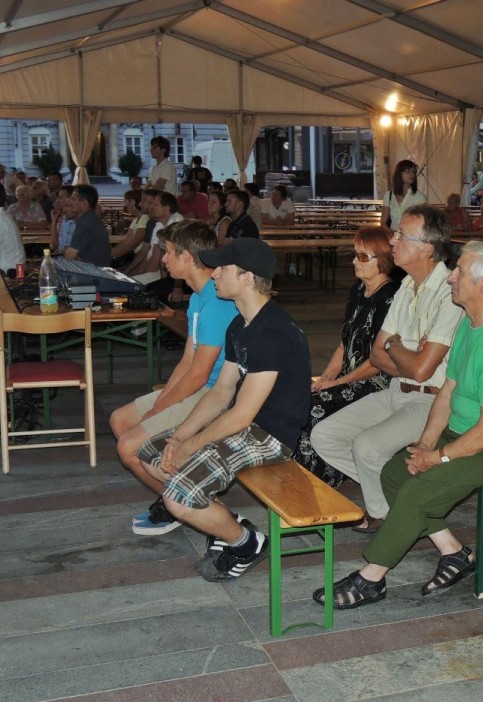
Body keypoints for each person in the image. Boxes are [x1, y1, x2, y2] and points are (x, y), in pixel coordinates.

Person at [312, 242, 483, 609]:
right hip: (464, 432)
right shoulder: (471, 322)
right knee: (395, 473)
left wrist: (437, 458)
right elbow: (448, 390)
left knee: (419, 490)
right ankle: (453, 553)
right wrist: (425, 444)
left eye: (460, 271)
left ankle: (372, 577)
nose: (451, 276)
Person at [136, 237, 310, 582]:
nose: (213, 274)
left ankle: (246, 543)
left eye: (222, 268)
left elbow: (242, 414)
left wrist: (191, 444)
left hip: (270, 436)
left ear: (247, 278)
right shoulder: (240, 324)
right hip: (243, 423)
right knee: (150, 455)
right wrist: (180, 437)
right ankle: (226, 523)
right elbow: (221, 392)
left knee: (177, 499)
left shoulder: (273, 332)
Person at [310, 206, 463, 533]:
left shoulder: (449, 292)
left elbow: (421, 371)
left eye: (401, 235)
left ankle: (385, 514)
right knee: (324, 435)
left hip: (431, 401)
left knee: (366, 446)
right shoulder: (406, 286)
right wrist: (405, 351)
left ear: (426, 248)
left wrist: (396, 347)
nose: (393, 240)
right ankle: (396, 500)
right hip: (396, 389)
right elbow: (377, 355)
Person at [110, 220, 239, 534]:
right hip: (198, 386)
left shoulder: (216, 302)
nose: (164, 259)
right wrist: (161, 401)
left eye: (169, 252)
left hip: (215, 394)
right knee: (119, 420)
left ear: (188, 257)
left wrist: (158, 409)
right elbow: (187, 362)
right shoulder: (198, 297)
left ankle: (191, 504)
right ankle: (174, 497)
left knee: (128, 446)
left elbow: (199, 376)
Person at [294, 227, 398, 486]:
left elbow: (378, 361)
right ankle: (303, 476)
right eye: (355, 254)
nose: (353, 261)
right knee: (301, 399)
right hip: (350, 377)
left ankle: (322, 480)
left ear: (384, 259)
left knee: (313, 409)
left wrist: (338, 382)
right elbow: (346, 340)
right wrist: (327, 377)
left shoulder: (391, 298)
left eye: (363, 257)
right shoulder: (358, 290)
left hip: (376, 382)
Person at [63, 184, 112, 267]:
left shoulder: (86, 223)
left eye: (74, 199)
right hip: (95, 269)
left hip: (92, 272)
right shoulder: (91, 219)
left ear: (84, 203)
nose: (70, 202)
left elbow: (69, 256)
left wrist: (66, 252)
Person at [380, 159, 426, 229]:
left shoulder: (420, 197)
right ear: (399, 173)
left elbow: (422, 223)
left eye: (414, 171)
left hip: (410, 234)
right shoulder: (388, 196)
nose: (412, 174)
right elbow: (383, 223)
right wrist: (390, 233)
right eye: (408, 171)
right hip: (392, 234)